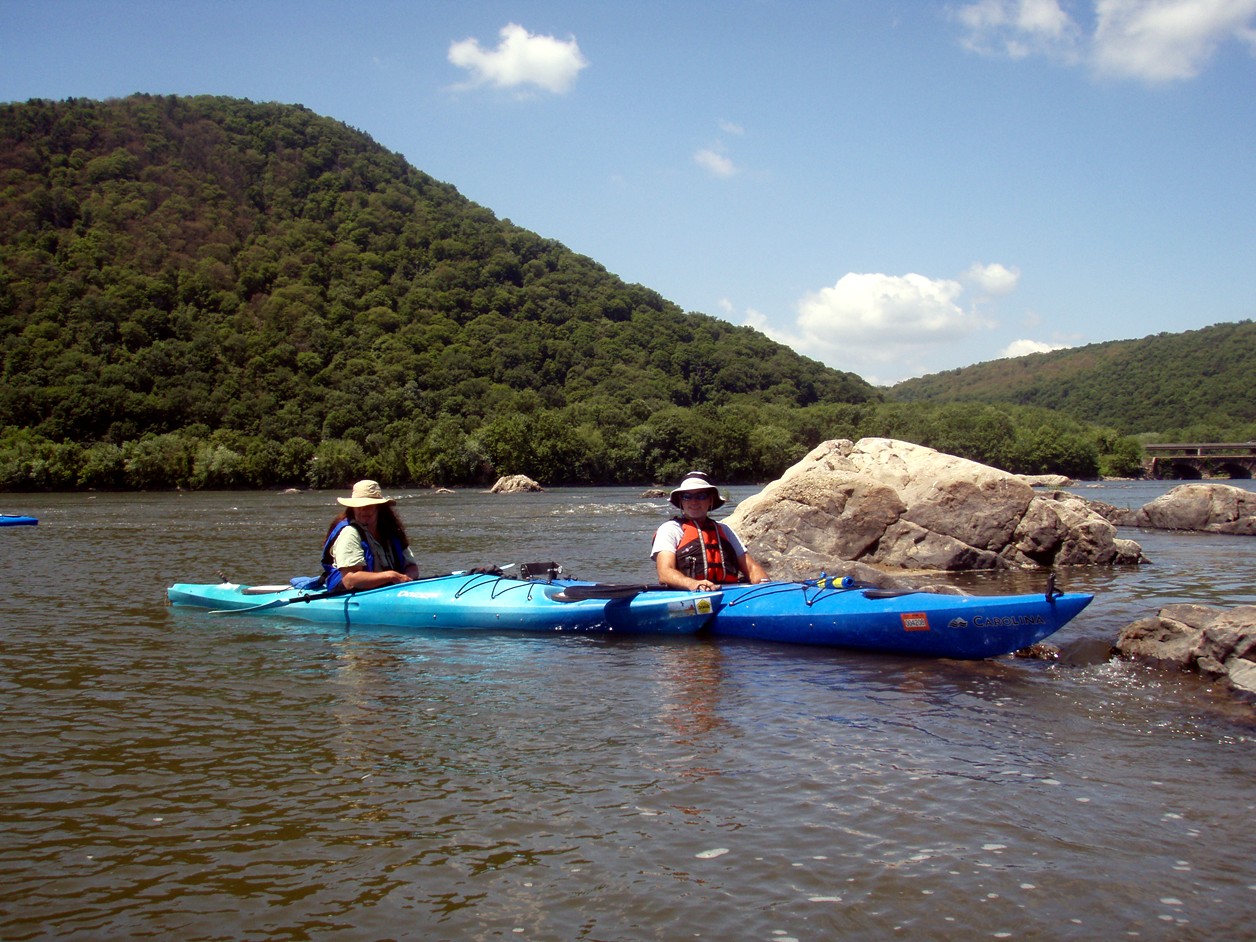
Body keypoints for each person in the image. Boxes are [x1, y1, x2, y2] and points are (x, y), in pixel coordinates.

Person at [651, 471, 768, 591]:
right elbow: (665, 573)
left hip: (729, 593)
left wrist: (764, 585)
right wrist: (693, 584)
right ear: (681, 501)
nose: (694, 502)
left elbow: (751, 568)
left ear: (710, 500)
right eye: (687, 496)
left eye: (701, 496)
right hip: (689, 595)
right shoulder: (670, 529)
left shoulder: (725, 530)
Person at [320, 480, 420, 593]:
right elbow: (350, 580)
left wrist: (406, 578)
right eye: (359, 506)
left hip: (389, 590)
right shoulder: (349, 532)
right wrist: (391, 576)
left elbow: (412, 567)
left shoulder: (391, 531)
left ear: (379, 507)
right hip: (355, 594)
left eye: (369, 505)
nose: (363, 510)